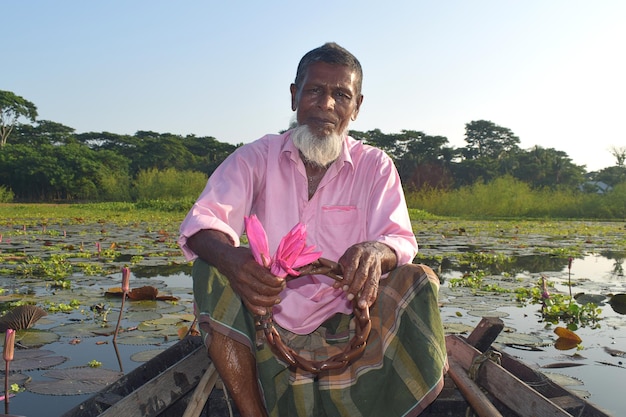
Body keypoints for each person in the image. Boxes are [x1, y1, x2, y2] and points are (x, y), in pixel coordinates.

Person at [178, 42, 447, 417]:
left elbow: (398, 239)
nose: (327, 105)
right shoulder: (257, 156)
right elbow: (203, 223)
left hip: (349, 319)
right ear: (295, 96)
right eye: (315, 91)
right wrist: (235, 260)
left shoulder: (375, 166)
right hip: (264, 313)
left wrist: (374, 251)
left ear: (356, 106)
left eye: (341, 95)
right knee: (211, 268)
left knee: (417, 280)